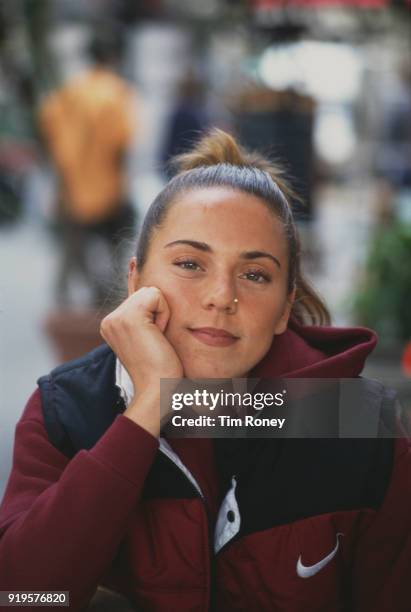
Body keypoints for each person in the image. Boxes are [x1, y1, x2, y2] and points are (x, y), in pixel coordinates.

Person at [0, 129, 410, 612]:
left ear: (285, 308)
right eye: (191, 263)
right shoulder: (65, 410)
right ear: (136, 280)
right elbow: (22, 595)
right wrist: (149, 408)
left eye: (255, 274)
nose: (221, 296)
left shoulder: (357, 424)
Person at [38, 30, 137, 307]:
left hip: (72, 184)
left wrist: (62, 180)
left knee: (73, 245)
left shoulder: (69, 91)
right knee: (115, 247)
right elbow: (121, 143)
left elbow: (50, 131)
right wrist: (122, 185)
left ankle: (63, 300)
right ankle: (111, 301)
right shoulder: (116, 92)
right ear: (113, 57)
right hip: (107, 186)